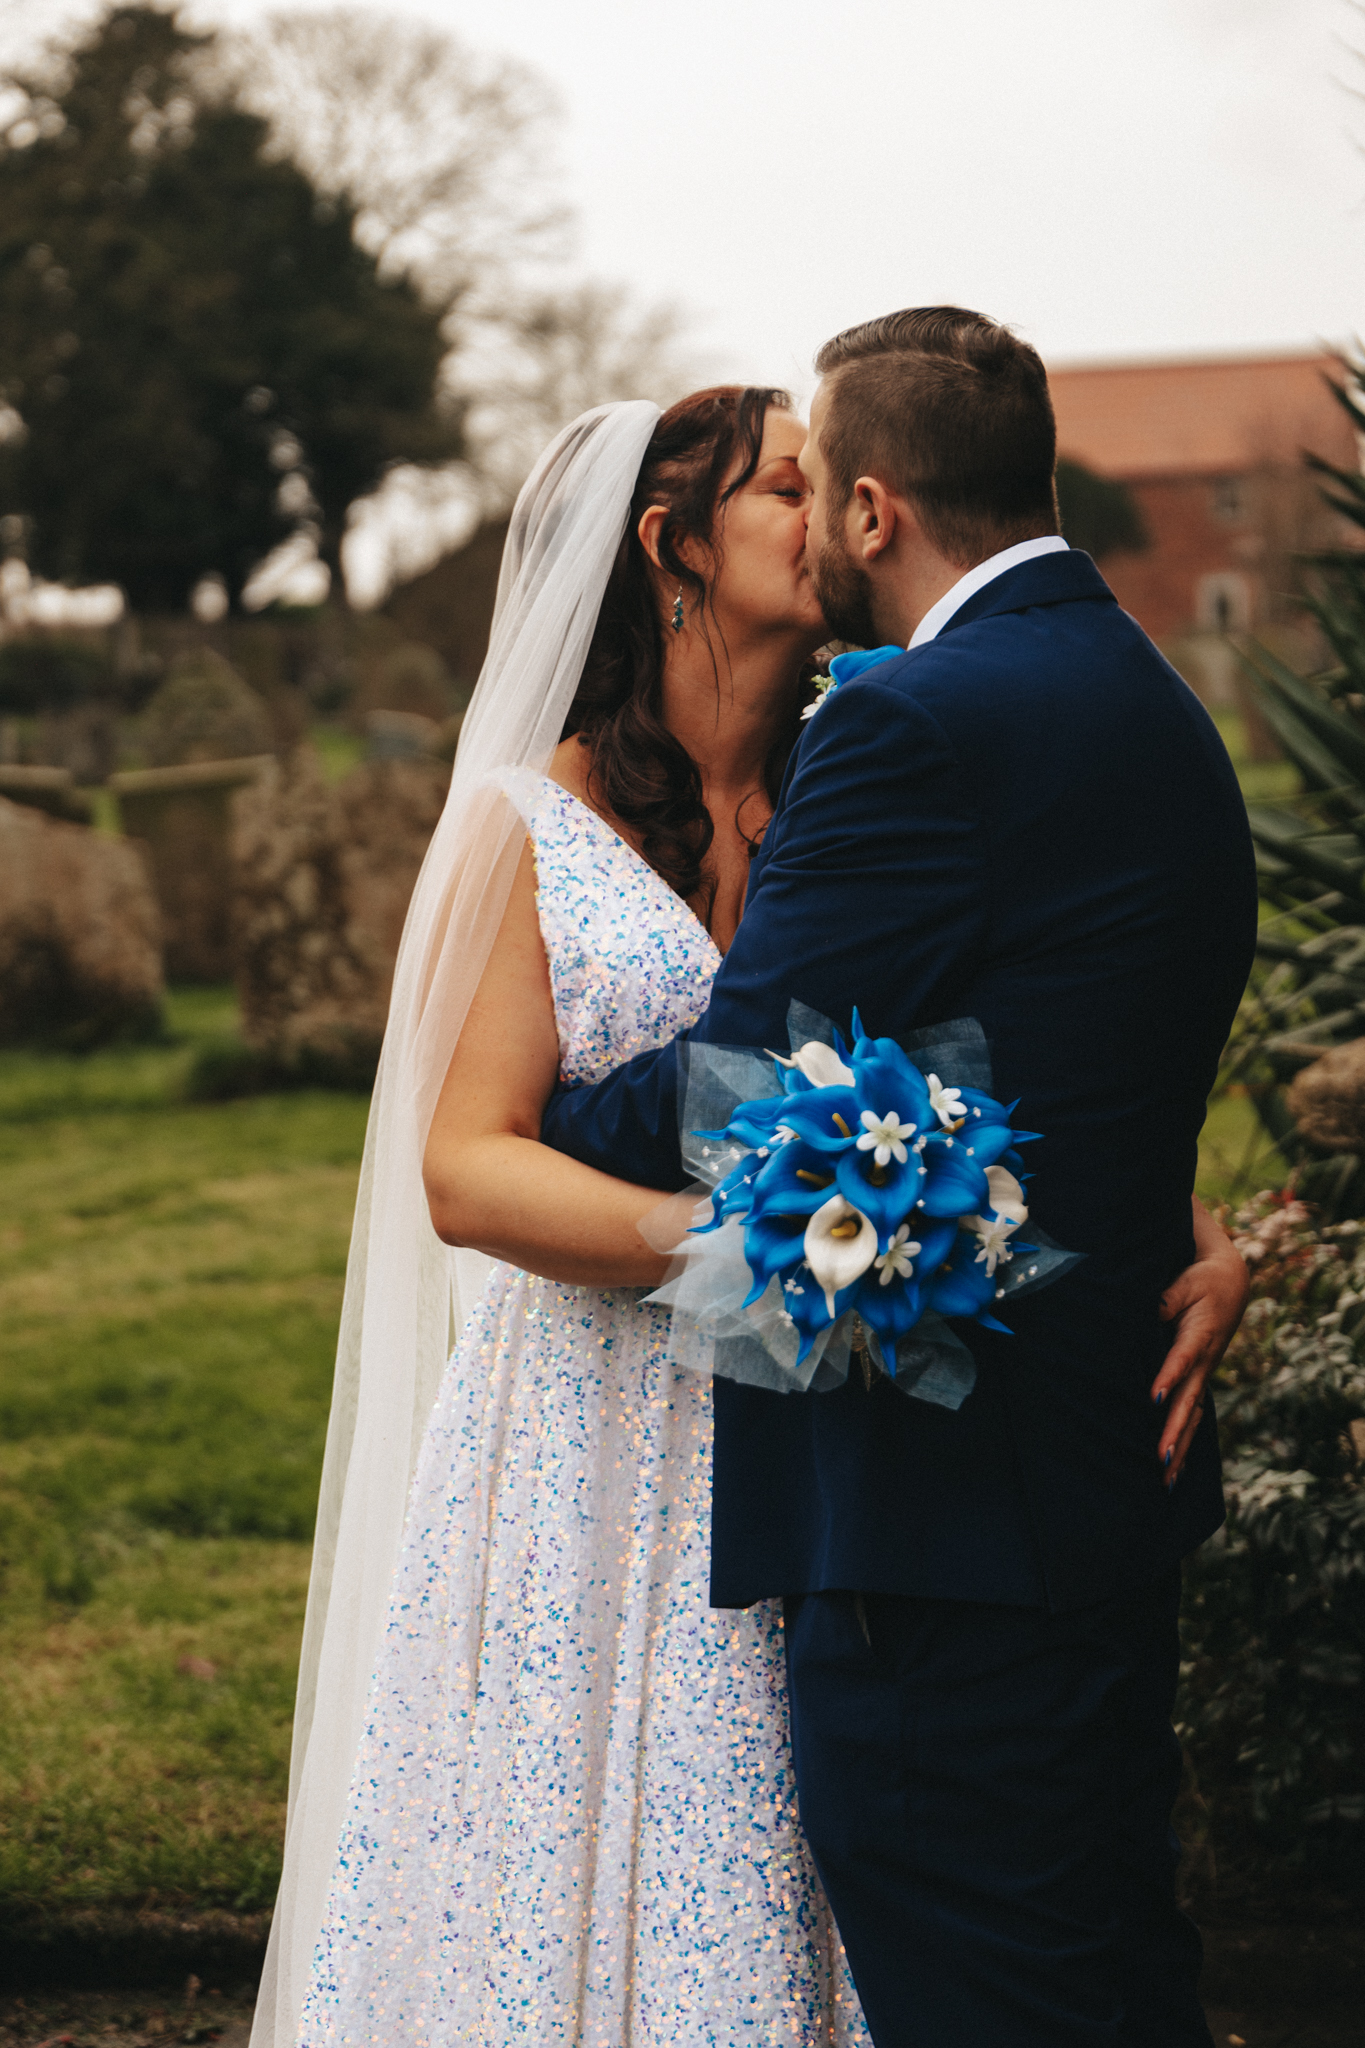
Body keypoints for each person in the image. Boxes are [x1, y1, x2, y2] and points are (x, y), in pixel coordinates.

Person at [252, 370, 1249, 2048]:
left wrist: (1174, 1214)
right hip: (610, 1440)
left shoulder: (867, 767)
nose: (829, 502)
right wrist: (760, 1254)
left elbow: (993, 1045)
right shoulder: (533, 820)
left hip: (858, 1455)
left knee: (846, 1885)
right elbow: (465, 1162)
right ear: (671, 549)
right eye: (785, 487)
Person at [527, 312, 1259, 2047]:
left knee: (979, 1987)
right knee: (1107, 1961)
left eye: (809, 485)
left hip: (947, 1517)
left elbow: (738, 1075)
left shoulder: (911, 723)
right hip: (1111, 1477)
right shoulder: (1156, 699)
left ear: (871, 512)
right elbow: (1100, 1050)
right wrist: (1193, 1221)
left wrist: (531, 1136)